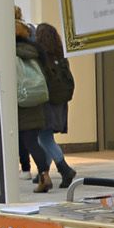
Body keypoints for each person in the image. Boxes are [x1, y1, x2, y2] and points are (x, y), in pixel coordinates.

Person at [31, 22, 78, 191]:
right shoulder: (60, 56)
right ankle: (44, 172)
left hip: (47, 102)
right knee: (46, 137)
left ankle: (64, 169)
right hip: (60, 103)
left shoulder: (40, 57)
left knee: (44, 138)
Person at [14, 21, 55, 191]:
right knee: (32, 141)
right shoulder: (36, 50)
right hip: (36, 102)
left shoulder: (9, 52)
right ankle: (44, 174)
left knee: (24, 142)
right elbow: (46, 73)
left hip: (18, 103)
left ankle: (42, 175)